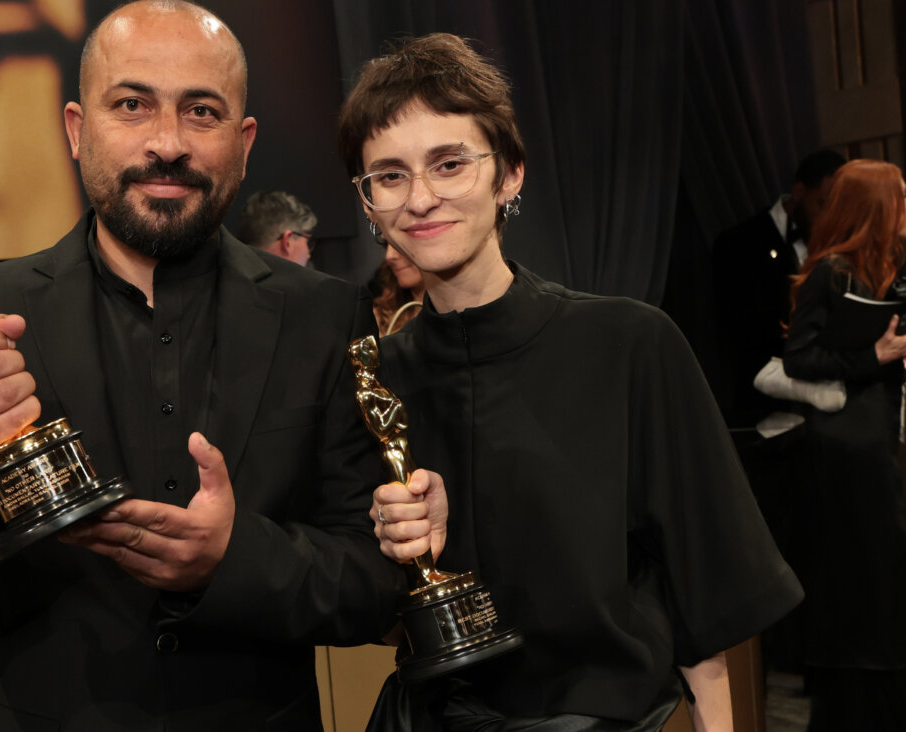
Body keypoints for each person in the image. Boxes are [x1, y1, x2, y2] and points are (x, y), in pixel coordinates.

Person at [0, 2, 406, 729]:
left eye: (202, 111)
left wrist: (236, 558)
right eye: (131, 105)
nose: (167, 143)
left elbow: (375, 582)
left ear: (245, 141)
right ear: (76, 129)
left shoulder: (327, 316)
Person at [338, 34, 802, 731]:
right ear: (369, 203)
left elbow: (709, 592)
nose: (422, 198)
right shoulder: (376, 380)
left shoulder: (629, 344)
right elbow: (368, 618)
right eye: (390, 175)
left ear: (510, 174)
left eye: (450, 163)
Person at [782, 159, 906, 729]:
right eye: (899, 197)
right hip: (850, 450)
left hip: (884, 439)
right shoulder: (832, 271)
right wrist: (870, 357)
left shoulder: (893, 266)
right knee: (865, 577)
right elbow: (800, 358)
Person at [711, 150, 846, 428]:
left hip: (832, 405)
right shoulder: (739, 244)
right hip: (767, 406)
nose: (829, 219)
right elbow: (742, 336)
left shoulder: (839, 242)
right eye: (823, 204)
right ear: (799, 192)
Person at [234, 190, 318, 266]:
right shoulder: (308, 281)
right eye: (308, 243)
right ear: (287, 241)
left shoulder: (228, 277)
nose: (308, 255)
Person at [370, 243, 425, 335]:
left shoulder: (454, 315)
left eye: (399, 244)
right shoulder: (380, 317)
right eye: (386, 244)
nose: (389, 256)